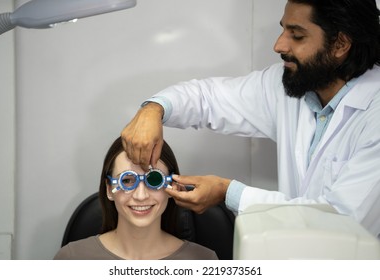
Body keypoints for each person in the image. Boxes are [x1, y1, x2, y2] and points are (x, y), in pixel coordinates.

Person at [120, 0, 380, 238]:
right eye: (283, 30)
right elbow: (207, 98)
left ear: (340, 44)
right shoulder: (289, 86)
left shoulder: (374, 113)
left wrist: (228, 192)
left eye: (297, 35)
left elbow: (343, 222)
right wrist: (154, 109)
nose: (279, 45)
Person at [54, 136, 218, 260]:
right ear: (109, 189)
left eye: (154, 180)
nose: (141, 196)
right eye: (127, 181)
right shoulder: (71, 259)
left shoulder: (204, 261)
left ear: (172, 187)